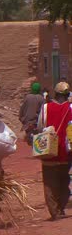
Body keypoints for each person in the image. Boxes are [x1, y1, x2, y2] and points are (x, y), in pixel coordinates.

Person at [37, 81, 72, 220]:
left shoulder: (45, 108)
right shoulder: (71, 107)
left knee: (49, 182)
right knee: (64, 180)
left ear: (55, 94)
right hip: (66, 153)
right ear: (68, 94)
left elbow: (40, 127)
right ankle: (61, 206)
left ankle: (54, 211)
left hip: (48, 152)